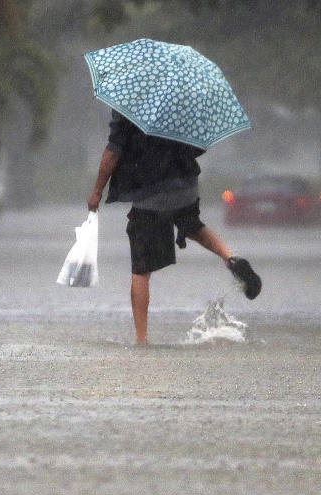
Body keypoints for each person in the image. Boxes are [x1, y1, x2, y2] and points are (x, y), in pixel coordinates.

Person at [87, 110, 261, 344]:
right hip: (185, 187)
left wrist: (98, 190)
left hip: (151, 193)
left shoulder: (130, 108)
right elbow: (199, 144)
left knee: (141, 269)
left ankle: (141, 340)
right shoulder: (179, 104)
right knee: (193, 226)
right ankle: (231, 258)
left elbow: (113, 152)